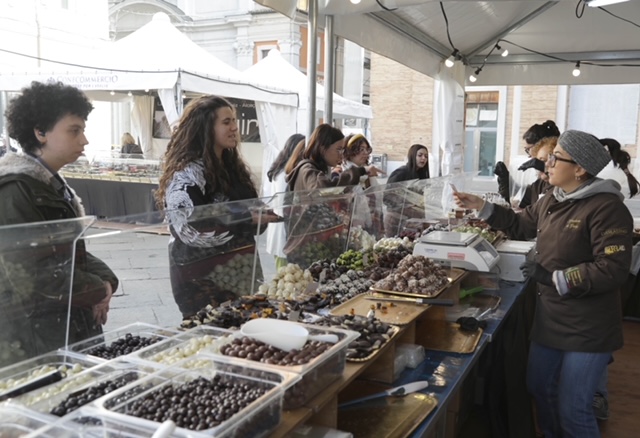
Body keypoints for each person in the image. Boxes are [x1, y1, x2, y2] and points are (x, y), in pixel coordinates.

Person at [454, 130, 632, 438]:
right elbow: (522, 225)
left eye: (555, 157)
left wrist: (554, 277)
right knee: (538, 387)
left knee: (574, 410)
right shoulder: (554, 198)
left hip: (588, 327)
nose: (546, 163)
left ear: (580, 169)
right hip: (551, 318)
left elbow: (612, 268)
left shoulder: (607, 208)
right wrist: (481, 206)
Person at [0, 81, 118, 367]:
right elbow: (34, 275)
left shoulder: (49, 184)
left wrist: (107, 283)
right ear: (40, 132)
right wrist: (98, 290)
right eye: (74, 130)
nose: (85, 140)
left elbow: (73, 251)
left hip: (65, 327)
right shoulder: (15, 190)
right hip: (36, 341)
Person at [155, 95, 277, 318]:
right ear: (205, 127)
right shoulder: (186, 176)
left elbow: (251, 221)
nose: (234, 128)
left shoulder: (233, 169)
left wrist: (260, 217)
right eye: (226, 122)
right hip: (201, 279)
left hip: (241, 271)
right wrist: (246, 218)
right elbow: (191, 228)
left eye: (234, 121)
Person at [285, 124, 383, 192]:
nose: (341, 154)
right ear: (323, 148)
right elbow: (326, 190)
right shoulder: (306, 169)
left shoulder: (313, 169)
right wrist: (360, 171)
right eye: (338, 149)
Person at [495, 120, 561, 204]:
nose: (529, 156)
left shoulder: (560, 184)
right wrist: (505, 181)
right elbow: (521, 199)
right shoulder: (540, 183)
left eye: (528, 149)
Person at [264, 133, 305, 269]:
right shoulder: (286, 174)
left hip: (282, 231)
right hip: (283, 232)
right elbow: (285, 205)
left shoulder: (279, 171)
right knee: (285, 276)